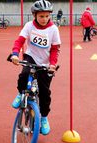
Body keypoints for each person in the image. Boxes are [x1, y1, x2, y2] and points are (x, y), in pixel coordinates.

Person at [9, 0, 61, 135]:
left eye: (46, 16)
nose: (44, 19)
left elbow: (55, 49)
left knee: (45, 92)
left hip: (45, 63)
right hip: (31, 57)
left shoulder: (53, 29)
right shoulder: (29, 26)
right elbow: (19, 41)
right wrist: (15, 54)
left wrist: (52, 64)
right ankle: (21, 94)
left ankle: (43, 118)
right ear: (35, 15)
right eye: (41, 16)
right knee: (24, 74)